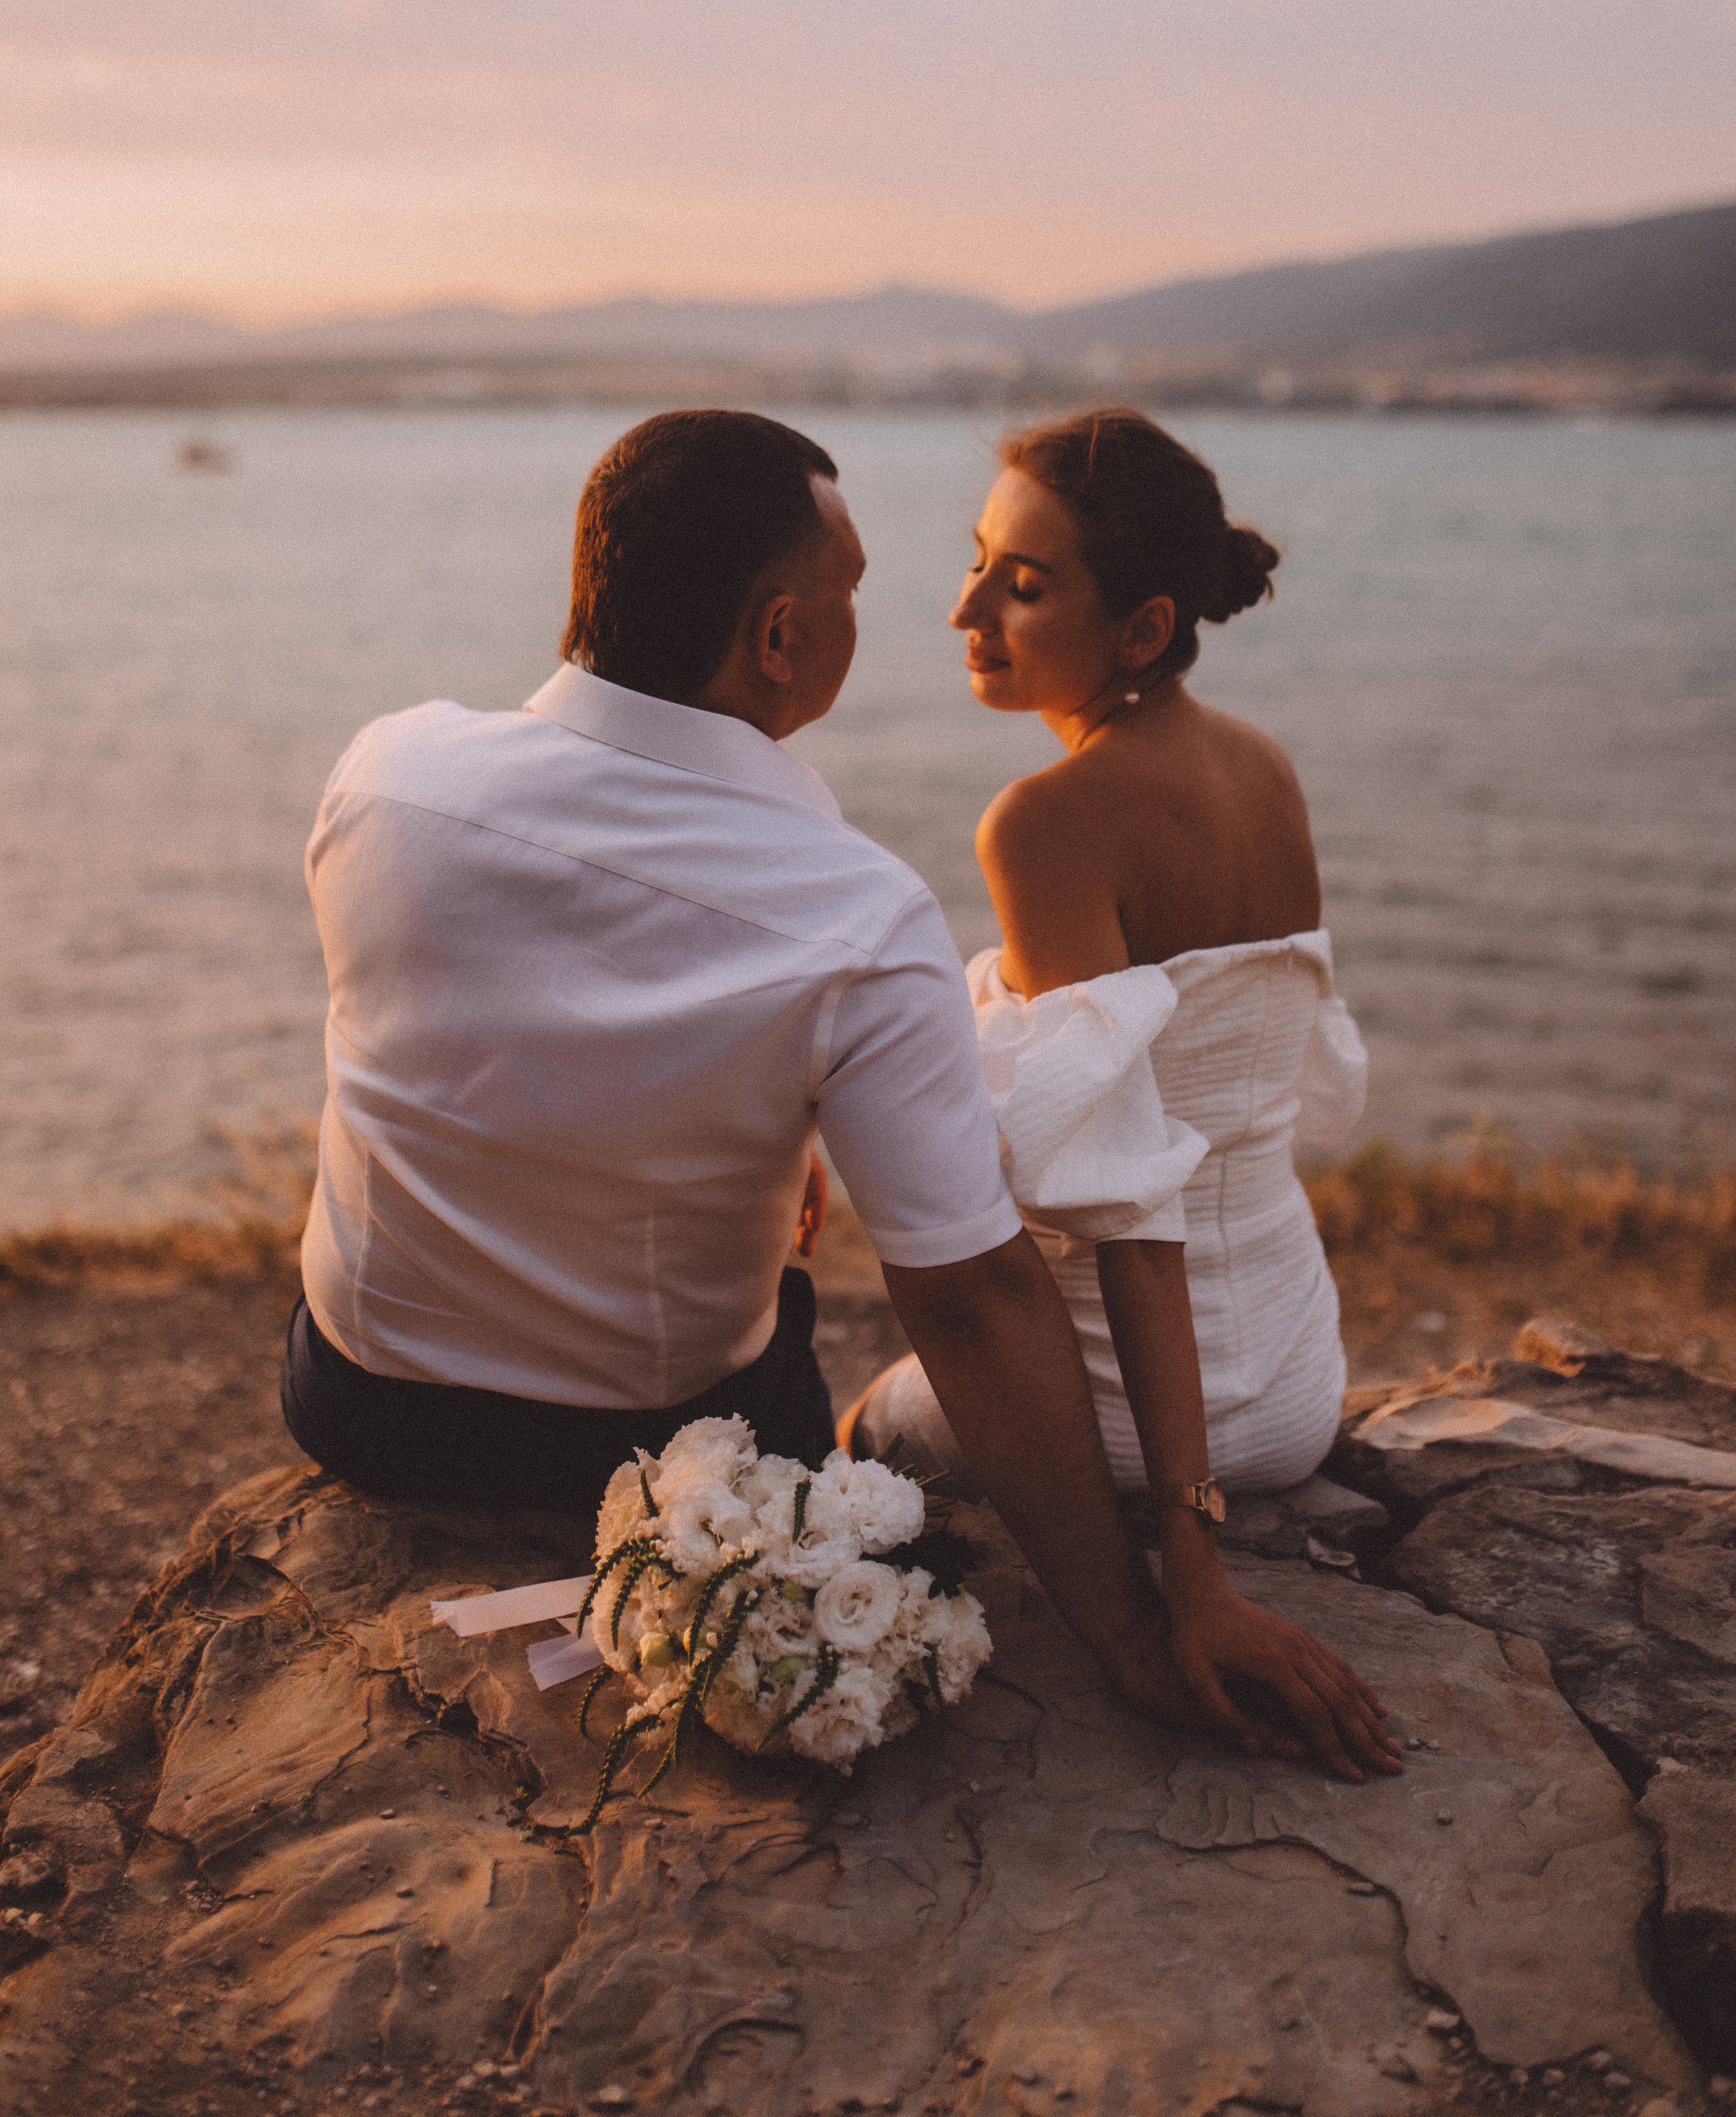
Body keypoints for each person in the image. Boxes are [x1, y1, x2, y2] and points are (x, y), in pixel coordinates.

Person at [281, 407, 1396, 1779]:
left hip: (359, 1403)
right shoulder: (854, 914)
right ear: (778, 640)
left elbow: (484, 1016)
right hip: (655, 1445)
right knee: (843, 1393)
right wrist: (1127, 1631)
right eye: (856, 590)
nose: (937, 611)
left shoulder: (385, 771)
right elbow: (972, 1294)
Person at [846, 407, 1389, 1740]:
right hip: (1300, 1382)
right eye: (977, 560)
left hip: (1139, 1414)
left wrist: (1187, 1567)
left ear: (1142, 629)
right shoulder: (1262, 766)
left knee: (864, 1429)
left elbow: (1136, 1212)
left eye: (1022, 587)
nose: (965, 606)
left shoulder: (1042, 823)